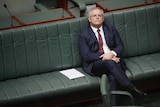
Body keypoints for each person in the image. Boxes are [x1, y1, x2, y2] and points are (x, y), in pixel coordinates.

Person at [79, 7, 147, 105]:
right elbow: (87, 56)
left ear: (103, 18)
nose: (97, 17)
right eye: (94, 16)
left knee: (113, 76)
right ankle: (131, 89)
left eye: (100, 15)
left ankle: (114, 105)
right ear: (89, 19)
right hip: (95, 64)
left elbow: (120, 47)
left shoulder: (110, 28)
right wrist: (105, 56)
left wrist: (112, 54)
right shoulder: (84, 34)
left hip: (114, 60)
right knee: (110, 64)